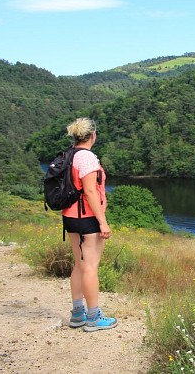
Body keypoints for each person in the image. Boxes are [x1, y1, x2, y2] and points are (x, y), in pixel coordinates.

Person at [63, 117, 118, 332]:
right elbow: (90, 191)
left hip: (70, 216)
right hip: (87, 219)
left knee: (79, 265)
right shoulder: (87, 158)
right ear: (93, 136)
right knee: (90, 268)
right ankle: (94, 318)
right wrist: (102, 222)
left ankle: (78, 314)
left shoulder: (69, 155)